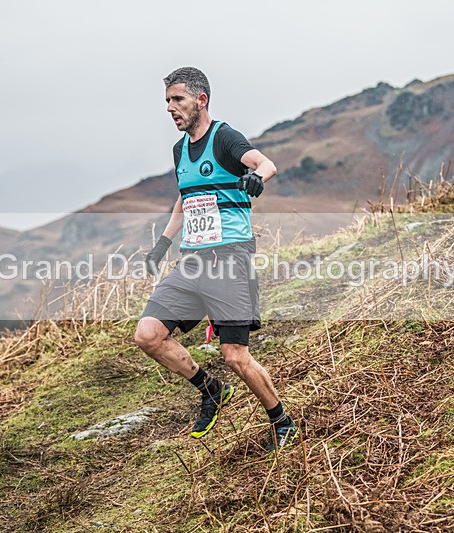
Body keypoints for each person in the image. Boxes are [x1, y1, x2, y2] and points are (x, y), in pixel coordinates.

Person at [134, 67, 298, 453]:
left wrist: (257, 178)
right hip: (191, 262)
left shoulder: (224, 137)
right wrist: (162, 244)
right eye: (167, 101)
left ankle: (282, 422)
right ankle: (211, 390)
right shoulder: (180, 151)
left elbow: (265, 163)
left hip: (229, 260)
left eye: (178, 99)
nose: (170, 108)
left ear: (201, 100)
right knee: (147, 335)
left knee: (236, 357)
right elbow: (185, 197)